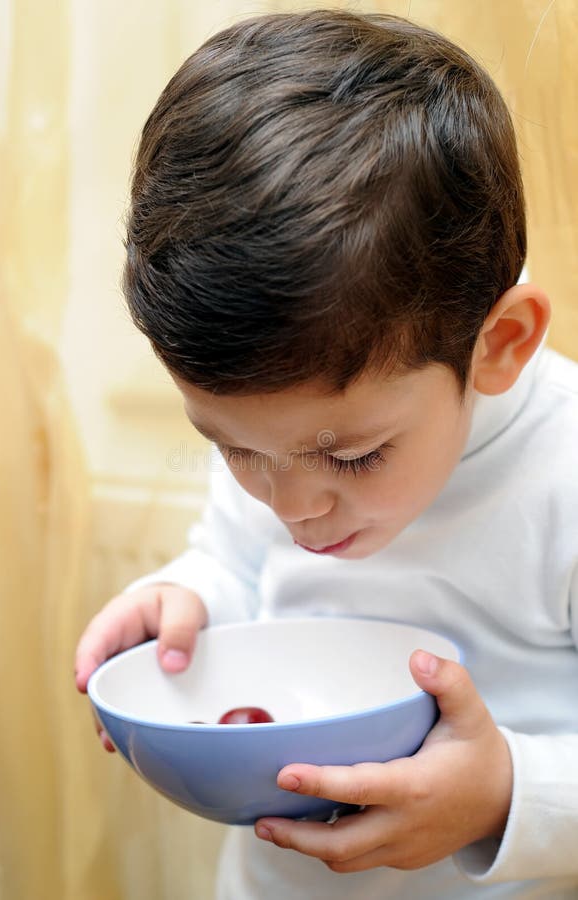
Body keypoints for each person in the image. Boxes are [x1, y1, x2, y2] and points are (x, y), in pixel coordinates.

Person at [74, 10, 578, 899]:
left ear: (498, 344)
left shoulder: (562, 475)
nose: (292, 507)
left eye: (352, 459)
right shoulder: (284, 462)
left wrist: (506, 795)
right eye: (230, 448)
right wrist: (188, 600)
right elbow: (238, 562)